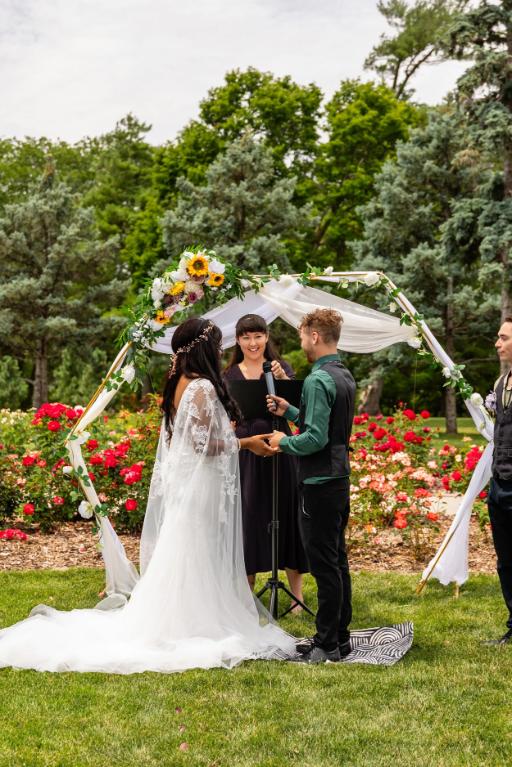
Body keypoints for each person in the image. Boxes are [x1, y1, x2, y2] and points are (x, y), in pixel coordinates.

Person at [0, 318, 296, 673]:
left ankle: (184, 614)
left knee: (188, 548)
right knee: (196, 548)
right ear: (203, 349)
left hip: (189, 482)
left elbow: (186, 439)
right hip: (199, 483)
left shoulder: (180, 382)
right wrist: (246, 443)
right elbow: (204, 444)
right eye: (216, 346)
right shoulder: (200, 386)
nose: (220, 352)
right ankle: (193, 623)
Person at [267, 308, 356, 664]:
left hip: (318, 484)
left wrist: (281, 441)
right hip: (338, 480)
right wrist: (290, 411)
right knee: (338, 562)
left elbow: (315, 438)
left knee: (323, 567)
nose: (302, 342)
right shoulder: (342, 374)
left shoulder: (317, 380)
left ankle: (325, 644)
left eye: (303, 336)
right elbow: (327, 424)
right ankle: (341, 637)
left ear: (315, 336)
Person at [223, 314, 308, 606]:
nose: (253, 343)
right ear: (237, 340)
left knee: (287, 514)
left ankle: (297, 596)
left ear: (267, 337)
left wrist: (285, 381)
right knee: (249, 516)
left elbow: (299, 410)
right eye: (246, 337)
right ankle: (247, 598)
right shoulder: (229, 374)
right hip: (248, 453)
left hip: (281, 447)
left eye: (258, 336)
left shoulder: (280, 368)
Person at [485, 317, 512, 645]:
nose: (497, 343)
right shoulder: (500, 383)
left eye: (503, 337)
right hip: (500, 483)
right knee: (506, 561)